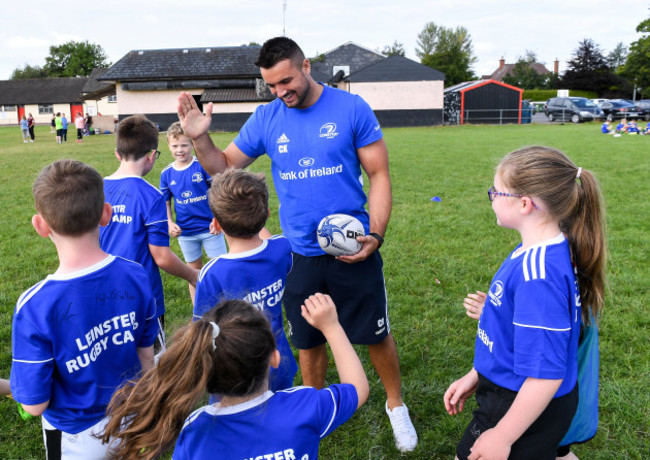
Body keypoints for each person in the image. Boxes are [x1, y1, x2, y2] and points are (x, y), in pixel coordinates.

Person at [177, 36, 418, 452]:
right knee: (307, 338)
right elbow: (224, 168)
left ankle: (396, 405)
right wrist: (201, 139)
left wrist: (375, 235)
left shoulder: (351, 108)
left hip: (352, 247)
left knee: (375, 333)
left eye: (286, 81)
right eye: (271, 85)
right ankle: (313, 406)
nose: (280, 92)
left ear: (306, 67)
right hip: (297, 254)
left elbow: (379, 175)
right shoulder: (268, 117)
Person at [444, 146, 607, 460]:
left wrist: (503, 436)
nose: (491, 197)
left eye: (496, 192)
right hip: (526, 394)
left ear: (524, 204)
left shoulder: (538, 276)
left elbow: (545, 374)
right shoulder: (537, 251)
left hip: (519, 402)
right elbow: (516, 338)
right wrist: (476, 374)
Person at [9, 159, 159, 459]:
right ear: (106, 214)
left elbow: (34, 405)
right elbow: (146, 357)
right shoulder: (136, 274)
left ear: (40, 225)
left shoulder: (34, 306)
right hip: (132, 416)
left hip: (75, 437)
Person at [102, 294, 368, 460]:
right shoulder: (304, 406)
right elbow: (357, 388)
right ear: (274, 358)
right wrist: (331, 327)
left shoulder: (195, 430)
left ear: (203, 370)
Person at [99, 115, 199, 355]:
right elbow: (162, 257)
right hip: (145, 298)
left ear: (117, 153)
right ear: (152, 155)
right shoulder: (151, 196)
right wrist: (193, 276)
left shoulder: (96, 188)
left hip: (103, 293)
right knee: (152, 365)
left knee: (118, 360)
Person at [194, 168, 297, 391]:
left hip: (234, 370)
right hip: (278, 360)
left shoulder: (212, 273)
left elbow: (201, 330)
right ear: (267, 215)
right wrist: (254, 218)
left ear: (217, 224)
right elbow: (269, 241)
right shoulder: (282, 248)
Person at [159, 122, 227, 302]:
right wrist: (169, 222)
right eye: (175, 145)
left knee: (218, 270)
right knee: (193, 274)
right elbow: (165, 201)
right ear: (168, 146)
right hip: (186, 233)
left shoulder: (201, 166)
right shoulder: (166, 174)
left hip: (211, 229)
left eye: (184, 145)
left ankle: (223, 308)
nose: (180, 149)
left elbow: (217, 192)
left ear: (192, 145)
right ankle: (198, 312)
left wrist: (217, 217)